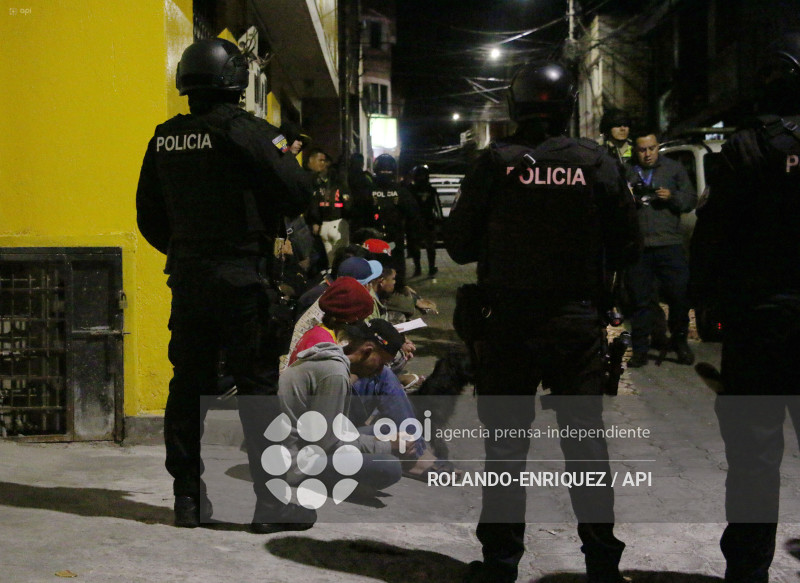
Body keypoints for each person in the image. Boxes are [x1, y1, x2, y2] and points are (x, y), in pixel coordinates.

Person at [445, 61, 640, 583]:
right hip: (576, 324)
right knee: (586, 447)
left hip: (508, 324)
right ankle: (602, 565)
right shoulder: (596, 161)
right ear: (569, 104)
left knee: (506, 449)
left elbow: (459, 244)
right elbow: (629, 244)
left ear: (516, 105)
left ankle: (500, 565)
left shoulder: (496, 162)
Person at [135, 38, 315, 531]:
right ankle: (272, 503)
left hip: (190, 279)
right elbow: (299, 193)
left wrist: (189, 251)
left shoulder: (165, 138)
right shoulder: (250, 131)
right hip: (243, 281)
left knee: (188, 385)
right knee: (257, 389)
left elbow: (148, 216)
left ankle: (187, 500)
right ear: (236, 83)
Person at [689, 31, 800, 583]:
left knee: (754, 458)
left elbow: (714, 235)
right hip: (765, 315)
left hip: (761, 321)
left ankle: (748, 571)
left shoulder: (745, 147)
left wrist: (705, 304)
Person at [278, 319, 414, 496]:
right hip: (295, 463)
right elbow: (327, 443)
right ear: (367, 351)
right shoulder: (335, 373)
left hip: (312, 443)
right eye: (381, 363)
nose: (380, 371)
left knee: (387, 430)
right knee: (390, 466)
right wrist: (385, 446)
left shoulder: (335, 360)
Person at [624, 128, 697, 367]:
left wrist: (671, 197)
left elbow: (689, 201)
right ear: (635, 150)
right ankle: (640, 350)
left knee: (679, 297)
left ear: (658, 147)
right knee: (640, 301)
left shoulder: (674, 168)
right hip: (639, 247)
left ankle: (680, 342)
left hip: (669, 244)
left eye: (651, 148)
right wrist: (629, 199)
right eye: (642, 150)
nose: (647, 154)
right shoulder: (627, 171)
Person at [369, 153, 419, 287]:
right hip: (391, 237)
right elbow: (413, 214)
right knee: (394, 268)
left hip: (382, 237)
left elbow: (358, 213)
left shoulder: (369, 190)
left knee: (378, 269)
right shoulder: (400, 191)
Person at [305, 148, 351, 266]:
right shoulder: (338, 184)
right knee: (341, 261)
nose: (323, 164)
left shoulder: (318, 184)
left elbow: (314, 204)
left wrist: (315, 221)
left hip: (323, 226)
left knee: (330, 263)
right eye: (320, 160)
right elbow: (348, 206)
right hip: (338, 223)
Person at [407, 164, 442, 278]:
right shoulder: (430, 190)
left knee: (417, 246)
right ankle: (430, 268)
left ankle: (419, 269)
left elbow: (407, 206)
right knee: (429, 246)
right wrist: (439, 221)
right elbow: (438, 207)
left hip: (417, 221)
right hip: (427, 221)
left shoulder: (411, 190)